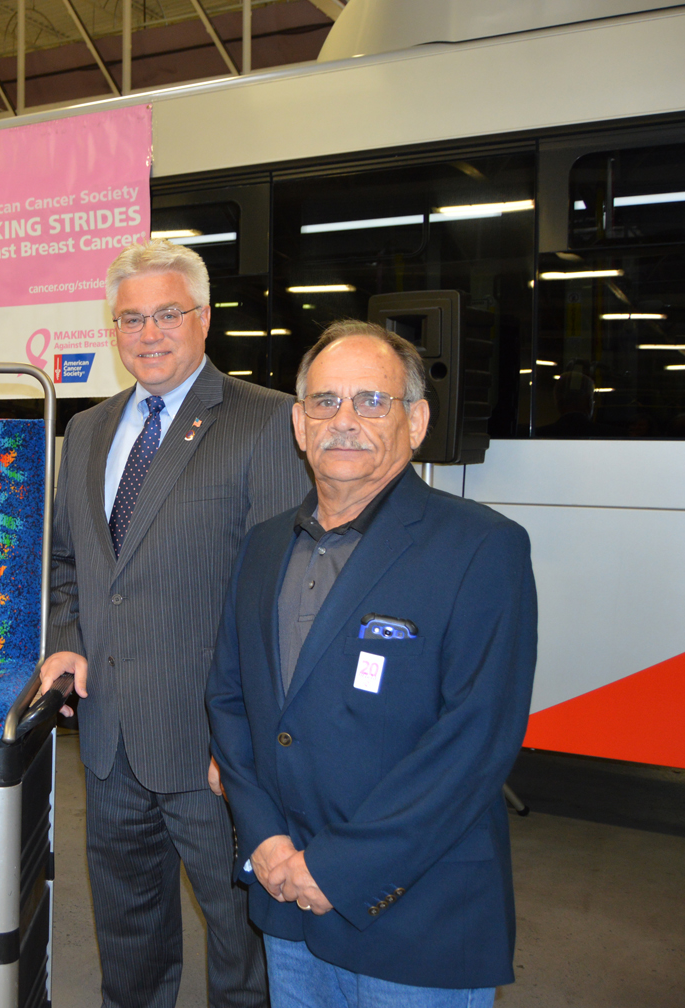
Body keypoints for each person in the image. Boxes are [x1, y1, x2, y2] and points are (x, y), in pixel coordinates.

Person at [206, 321, 538, 1007]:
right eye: (325, 401)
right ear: (299, 425)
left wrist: (334, 870)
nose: (344, 420)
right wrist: (264, 839)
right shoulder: (263, 546)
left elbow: (475, 742)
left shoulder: (482, 547)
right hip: (286, 903)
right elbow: (231, 701)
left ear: (416, 421)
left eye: (372, 401)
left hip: (416, 916)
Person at [36, 239, 311, 1008]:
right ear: (113, 328)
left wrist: (249, 742)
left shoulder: (264, 421)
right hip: (109, 739)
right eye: (132, 318)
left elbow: (278, 596)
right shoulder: (87, 429)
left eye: (167, 314)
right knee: (128, 933)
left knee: (241, 942)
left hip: (212, 748)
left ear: (204, 318)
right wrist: (68, 640)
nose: (148, 333)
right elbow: (67, 562)